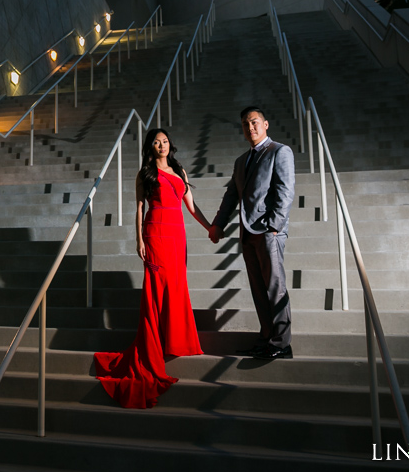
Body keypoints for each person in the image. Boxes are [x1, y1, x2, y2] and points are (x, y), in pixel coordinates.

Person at [94, 128, 210, 408]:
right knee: (156, 291)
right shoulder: (145, 174)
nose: (162, 145)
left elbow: (191, 208)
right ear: (150, 147)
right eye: (157, 142)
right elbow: (138, 207)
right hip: (156, 232)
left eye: (166, 141)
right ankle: (153, 347)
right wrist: (138, 240)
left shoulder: (180, 171)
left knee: (177, 285)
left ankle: (176, 341)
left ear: (171, 144)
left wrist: (210, 228)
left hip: (177, 234)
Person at [209, 106, 295, 359]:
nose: (251, 128)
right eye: (246, 124)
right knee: (259, 288)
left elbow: (285, 190)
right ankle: (267, 338)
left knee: (274, 287)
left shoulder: (280, 151)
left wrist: (274, 226)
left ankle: (282, 343)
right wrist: (218, 224)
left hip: (269, 232)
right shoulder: (241, 161)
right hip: (247, 233)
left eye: (255, 122)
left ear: (265, 124)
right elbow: (231, 196)